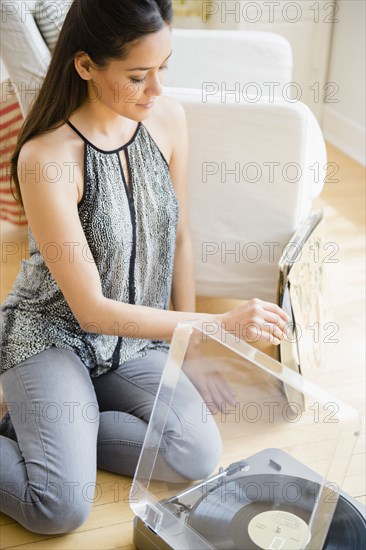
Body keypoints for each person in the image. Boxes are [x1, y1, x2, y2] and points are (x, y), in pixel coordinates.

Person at [0, 0, 290, 535]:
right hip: (53, 336)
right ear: (85, 66)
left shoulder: (168, 120)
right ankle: (53, 428)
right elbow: (90, 311)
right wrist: (219, 325)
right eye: (138, 76)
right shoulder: (48, 157)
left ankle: (48, 425)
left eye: (164, 68)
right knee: (59, 507)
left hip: (136, 342)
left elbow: (180, 237)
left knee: (197, 454)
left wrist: (193, 350)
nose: (157, 91)